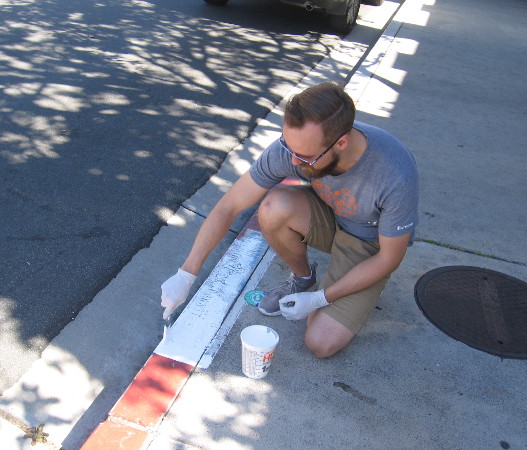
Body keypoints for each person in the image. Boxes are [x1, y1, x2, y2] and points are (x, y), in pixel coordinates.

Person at [161, 81, 419, 358]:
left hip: (368, 244)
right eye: (289, 146)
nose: (293, 162)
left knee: (320, 343)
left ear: (341, 142)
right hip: (329, 217)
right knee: (274, 206)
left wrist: (322, 299)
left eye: (305, 156)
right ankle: (303, 277)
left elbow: (389, 258)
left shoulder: (394, 175)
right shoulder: (294, 148)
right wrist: (186, 274)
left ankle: (338, 289)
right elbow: (230, 205)